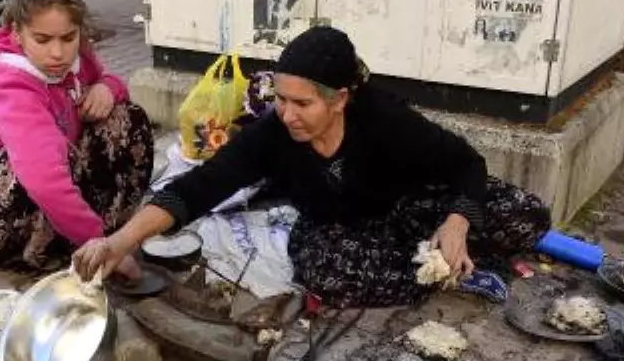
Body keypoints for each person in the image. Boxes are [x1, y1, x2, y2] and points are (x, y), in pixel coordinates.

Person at [73, 26, 551, 308]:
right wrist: (121, 240)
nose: (287, 113)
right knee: (325, 272)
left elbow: (468, 163)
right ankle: (437, 270)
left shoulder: (385, 118)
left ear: (340, 98)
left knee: (525, 213)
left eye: (302, 103)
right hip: (339, 230)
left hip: (407, 210)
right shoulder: (274, 133)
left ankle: (443, 255)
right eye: (280, 98)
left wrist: (456, 220)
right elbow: (199, 187)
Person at [0, 0, 153, 273]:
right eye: (42, 39)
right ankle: (58, 248)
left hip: (42, 177)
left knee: (125, 118)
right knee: (33, 165)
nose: (57, 53)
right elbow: (45, 180)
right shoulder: (7, 85)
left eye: (68, 38)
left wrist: (107, 87)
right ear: (16, 33)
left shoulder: (76, 60)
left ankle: (101, 228)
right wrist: (98, 246)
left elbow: (107, 79)